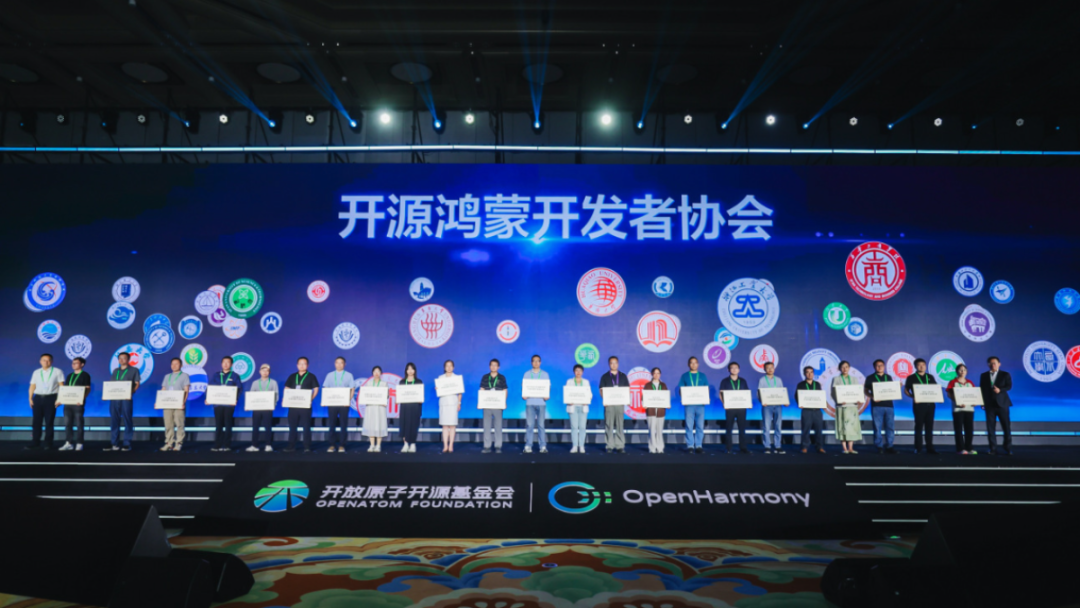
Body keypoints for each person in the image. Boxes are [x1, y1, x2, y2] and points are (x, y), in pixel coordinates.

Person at [27, 353, 64, 451]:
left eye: (48, 360)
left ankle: (48, 443)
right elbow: (32, 386)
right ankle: (35, 441)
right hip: (38, 398)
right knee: (36, 421)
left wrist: (60, 399)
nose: (46, 362)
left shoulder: (57, 371)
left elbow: (62, 386)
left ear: (51, 361)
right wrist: (30, 398)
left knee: (49, 421)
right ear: (40, 361)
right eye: (44, 360)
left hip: (51, 398)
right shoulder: (36, 372)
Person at [284, 356, 320, 453]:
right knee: (292, 426)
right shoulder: (292, 376)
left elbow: (316, 389)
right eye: (300, 364)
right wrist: (286, 398)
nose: (302, 365)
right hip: (293, 405)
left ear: (307, 365)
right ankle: (291, 446)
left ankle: (307, 446)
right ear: (297, 365)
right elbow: (286, 388)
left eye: (304, 364)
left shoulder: (311, 376)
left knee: (306, 426)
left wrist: (310, 399)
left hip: (305, 406)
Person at [208, 356, 243, 452]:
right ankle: (217, 445)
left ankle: (227, 445)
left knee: (228, 424)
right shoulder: (216, 375)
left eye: (228, 362)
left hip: (229, 404)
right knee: (218, 424)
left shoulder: (235, 376)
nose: (226, 364)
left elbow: (239, 389)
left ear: (231, 364)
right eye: (224, 362)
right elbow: (210, 387)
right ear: (221, 364)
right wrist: (208, 398)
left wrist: (235, 399)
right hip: (218, 404)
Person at [107, 352, 140, 452]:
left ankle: (127, 443)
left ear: (128, 359)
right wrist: (107, 394)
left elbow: (137, 384)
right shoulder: (115, 371)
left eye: (124, 358)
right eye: (119, 358)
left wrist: (131, 393)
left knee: (127, 420)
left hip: (126, 398)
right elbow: (111, 385)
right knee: (114, 420)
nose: (121, 360)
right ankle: (114, 443)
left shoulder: (134, 370)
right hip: (114, 398)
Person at [979, 356, 1013, 456]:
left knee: (1006, 427)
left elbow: (1009, 386)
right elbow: (982, 389)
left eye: (994, 363)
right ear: (988, 364)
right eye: (990, 363)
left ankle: (1008, 448)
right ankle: (993, 448)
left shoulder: (1005, 374)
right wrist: (982, 402)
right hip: (989, 405)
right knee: (990, 428)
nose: (992, 365)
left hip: (1002, 404)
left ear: (999, 364)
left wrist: (1000, 390)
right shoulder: (984, 375)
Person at [904, 358, 938, 454]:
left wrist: (938, 397)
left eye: (923, 364)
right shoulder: (911, 377)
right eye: (919, 365)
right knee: (919, 426)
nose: (921, 366)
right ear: (915, 366)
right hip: (919, 405)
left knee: (929, 427)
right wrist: (913, 397)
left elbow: (935, 389)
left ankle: (930, 447)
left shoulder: (930, 377)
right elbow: (906, 390)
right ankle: (918, 447)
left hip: (930, 405)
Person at [864, 359, 897, 454]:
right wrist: (872, 397)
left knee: (890, 427)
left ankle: (890, 446)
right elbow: (866, 391)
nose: (879, 367)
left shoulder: (888, 377)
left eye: (881, 365)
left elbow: (892, 390)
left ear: (884, 366)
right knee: (877, 427)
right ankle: (879, 446)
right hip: (877, 406)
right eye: (877, 365)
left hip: (889, 405)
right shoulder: (870, 378)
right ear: (874, 367)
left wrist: (897, 388)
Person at [598, 356, 629, 453]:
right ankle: (609, 445)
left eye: (615, 363)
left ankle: (620, 446)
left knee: (620, 424)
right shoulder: (605, 376)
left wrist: (626, 399)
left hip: (620, 404)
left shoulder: (623, 376)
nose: (614, 365)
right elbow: (601, 390)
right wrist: (605, 400)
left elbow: (627, 390)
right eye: (612, 363)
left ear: (618, 364)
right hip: (609, 404)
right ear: (609, 364)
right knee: (609, 425)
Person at [59, 356, 91, 451]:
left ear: (82, 364)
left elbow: (88, 388)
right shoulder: (70, 375)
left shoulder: (85, 375)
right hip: (68, 402)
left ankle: (79, 443)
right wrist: (61, 399)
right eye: (73, 363)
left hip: (78, 403)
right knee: (68, 423)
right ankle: (68, 443)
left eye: (76, 363)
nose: (73, 364)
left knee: (79, 423)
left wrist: (82, 399)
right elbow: (65, 389)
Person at [323, 357, 355, 453]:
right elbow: (325, 388)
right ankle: (332, 445)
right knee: (331, 424)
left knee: (343, 424)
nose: (339, 364)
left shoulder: (349, 375)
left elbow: (352, 389)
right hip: (332, 403)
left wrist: (348, 400)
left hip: (343, 404)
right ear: (334, 364)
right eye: (337, 362)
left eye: (341, 363)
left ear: (344, 364)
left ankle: (342, 445)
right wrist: (325, 400)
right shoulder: (329, 375)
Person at [831, 360, 864, 454]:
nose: (844, 369)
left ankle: (851, 448)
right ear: (840, 369)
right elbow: (833, 393)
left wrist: (859, 399)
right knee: (842, 426)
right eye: (842, 367)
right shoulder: (836, 379)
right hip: (841, 406)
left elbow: (857, 391)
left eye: (846, 367)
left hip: (852, 406)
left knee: (852, 427)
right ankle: (844, 448)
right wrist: (839, 400)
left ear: (849, 368)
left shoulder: (854, 379)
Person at [677, 356, 708, 454]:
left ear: (698, 364)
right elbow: (681, 389)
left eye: (695, 362)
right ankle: (690, 445)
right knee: (689, 426)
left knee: (700, 426)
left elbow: (706, 389)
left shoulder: (703, 376)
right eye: (691, 362)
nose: (693, 364)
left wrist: (706, 398)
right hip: (689, 405)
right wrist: (684, 397)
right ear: (688, 364)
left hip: (700, 405)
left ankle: (698, 445)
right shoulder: (684, 376)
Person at [159, 358, 190, 452]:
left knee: (179, 424)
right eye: (172, 364)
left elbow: (186, 390)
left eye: (176, 364)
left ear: (181, 365)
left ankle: (179, 443)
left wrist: (183, 402)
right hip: (167, 403)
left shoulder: (184, 375)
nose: (174, 366)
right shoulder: (167, 376)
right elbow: (163, 389)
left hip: (179, 403)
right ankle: (169, 443)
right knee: (168, 424)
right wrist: (159, 401)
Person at [246, 363, 278, 452]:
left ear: (269, 372)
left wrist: (273, 405)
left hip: (268, 408)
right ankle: (254, 445)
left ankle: (268, 445)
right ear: (260, 371)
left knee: (268, 427)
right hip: (257, 408)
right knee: (255, 427)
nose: (265, 372)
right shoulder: (255, 383)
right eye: (263, 370)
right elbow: (251, 395)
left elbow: (276, 395)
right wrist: (248, 405)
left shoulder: (273, 382)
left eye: (267, 371)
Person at [719, 362, 749, 454]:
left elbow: (746, 393)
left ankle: (743, 447)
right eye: (732, 368)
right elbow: (721, 393)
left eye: (736, 368)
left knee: (742, 428)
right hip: (730, 408)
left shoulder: (743, 381)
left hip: (741, 408)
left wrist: (748, 403)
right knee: (729, 428)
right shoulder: (725, 381)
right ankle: (728, 448)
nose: (734, 369)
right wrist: (724, 403)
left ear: (739, 370)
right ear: (728, 370)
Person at [947, 363, 977, 455]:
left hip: (969, 409)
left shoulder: (970, 382)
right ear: (957, 371)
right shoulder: (953, 382)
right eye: (960, 370)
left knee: (969, 429)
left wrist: (975, 401)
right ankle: (960, 448)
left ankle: (969, 448)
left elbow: (974, 394)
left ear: (966, 371)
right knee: (958, 429)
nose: (962, 371)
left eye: (964, 370)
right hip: (958, 409)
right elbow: (949, 394)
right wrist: (957, 401)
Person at [522, 354, 550, 454]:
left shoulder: (545, 374)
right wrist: (524, 394)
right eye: (534, 361)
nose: (536, 362)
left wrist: (547, 395)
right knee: (530, 425)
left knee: (541, 425)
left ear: (540, 362)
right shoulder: (527, 374)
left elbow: (547, 387)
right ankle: (528, 445)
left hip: (541, 403)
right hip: (530, 403)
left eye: (538, 361)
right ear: (531, 363)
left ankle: (543, 446)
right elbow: (524, 387)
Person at [480, 359, 507, 454]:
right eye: (492, 365)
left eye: (495, 365)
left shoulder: (502, 377)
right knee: (486, 426)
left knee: (498, 426)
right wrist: (480, 402)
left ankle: (498, 446)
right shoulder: (485, 377)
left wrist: (504, 402)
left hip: (498, 405)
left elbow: (505, 390)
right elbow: (482, 390)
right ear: (489, 366)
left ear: (498, 367)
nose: (493, 367)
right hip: (487, 405)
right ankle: (487, 446)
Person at [797, 366, 826, 454]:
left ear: (813, 374)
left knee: (819, 429)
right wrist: (800, 403)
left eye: (811, 372)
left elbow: (820, 396)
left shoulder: (817, 384)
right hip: (806, 410)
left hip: (817, 410)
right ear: (804, 374)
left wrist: (823, 404)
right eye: (807, 372)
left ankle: (819, 447)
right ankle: (804, 447)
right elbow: (797, 396)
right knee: (806, 429)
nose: (809, 374)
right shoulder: (801, 384)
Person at [758, 361, 785, 454]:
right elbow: (759, 393)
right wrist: (762, 401)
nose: (770, 369)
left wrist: (785, 401)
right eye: (768, 368)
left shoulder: (778, 380)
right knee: (766, 426)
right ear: (764, 369)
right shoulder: (762, 380)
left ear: (774, 368)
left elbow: (782, 392)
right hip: (767, 406)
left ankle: (778, 446)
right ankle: (767, 446)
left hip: (778, 406)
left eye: (771, 367)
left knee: (778, 426)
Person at [362, 366, 388, 452]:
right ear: (372, 373)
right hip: (371, 407)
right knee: (371, 425)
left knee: (379, 425)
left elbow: (386, 395)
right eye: (375, 371)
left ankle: (378, 445)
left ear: (381, 373)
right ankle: (372, 445)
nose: (376, 373)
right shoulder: (369, 383)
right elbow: (365, 395)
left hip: (380, 407)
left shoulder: (384, 383)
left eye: (378, 371)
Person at [566, 364, 590, 454]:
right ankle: (575, 446)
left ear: (582, 372)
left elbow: (589, 394)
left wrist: (587, 400)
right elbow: (567, 393)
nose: (578, 372)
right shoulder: (569, 381)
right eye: (576, 370)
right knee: (574, 427)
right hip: (573, 407)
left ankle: (582, 446)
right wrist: (568, 400)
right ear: (574, 372)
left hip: (583, 406)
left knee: (582, 427)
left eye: (580, 370)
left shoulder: (586, 382)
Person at [399, 362, 423, 453]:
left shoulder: (418, 382)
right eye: (408, 369)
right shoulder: (402, 382)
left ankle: (413, 444)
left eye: (412, 369)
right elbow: (399, 395)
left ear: (414, 370)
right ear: (406, 371)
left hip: (415, 407)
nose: (410, 371)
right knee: (404, 425)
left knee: (414, 425)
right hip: (405, 407)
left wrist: (420, 399)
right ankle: (405, 444)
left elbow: (421, 396)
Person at [439, 360, 462, 453]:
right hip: (444, 403)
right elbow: (439, 392)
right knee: (444, 425)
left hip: (453, 403)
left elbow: (460, 392)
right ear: (444, 368)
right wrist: (438, 389)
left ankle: (451, 445)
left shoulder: (457, 378)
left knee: (452, 425)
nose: (449, 368)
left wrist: (459, 403)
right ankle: (445, 445)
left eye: (450, 366)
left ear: (453, 367)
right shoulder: (441, 378)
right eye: (447, 366)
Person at [644, 367, 667, 454]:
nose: (656, 375)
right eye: (655, 373)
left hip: (661, 411)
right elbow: (644, 397)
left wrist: (667, 404)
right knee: (652, 430)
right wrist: (644, 404)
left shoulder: (663, 385)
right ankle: (652, 448)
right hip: (651, 411)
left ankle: (660, 448)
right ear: (652, 374)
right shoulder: (648, 385)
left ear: (660, 374)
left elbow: (666, 397)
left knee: (659, 430)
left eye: (658, 373)